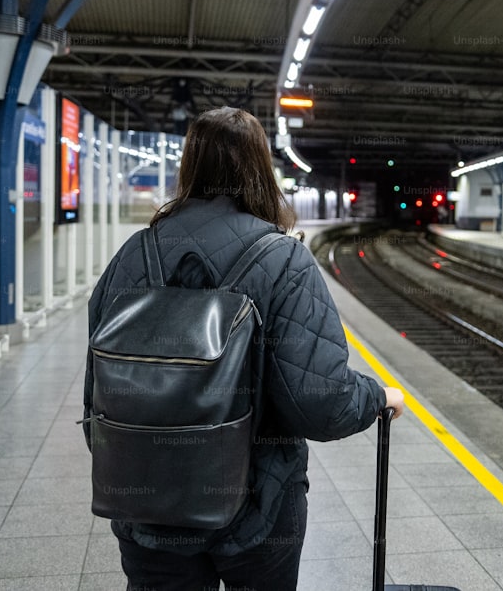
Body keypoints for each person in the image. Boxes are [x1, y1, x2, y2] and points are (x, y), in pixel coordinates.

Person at [83, 106, 405, 591]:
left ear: (188, 167)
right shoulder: (283, 259)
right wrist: (377, 397)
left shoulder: (134, 253)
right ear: (260, 170)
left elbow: (98, 390)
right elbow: (319, 402)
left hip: (147, 505)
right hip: (258, 509)